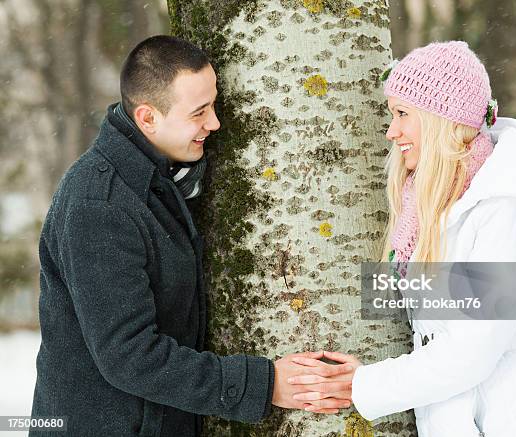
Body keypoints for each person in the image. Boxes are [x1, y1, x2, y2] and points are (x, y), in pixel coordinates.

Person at [30, 35, 352, 437]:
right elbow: (129, 356)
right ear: (147, 118)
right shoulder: (100, 206)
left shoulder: (161, 181)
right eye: (199, 112)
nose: (215, 123)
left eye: (213, 105)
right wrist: (264, 384)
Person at [288, 41, 516, 437]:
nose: (391, 131)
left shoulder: (509, 214)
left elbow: (471, 351)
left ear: (440, 119)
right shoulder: (434, 208)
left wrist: (362, 384)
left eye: (402, 114)